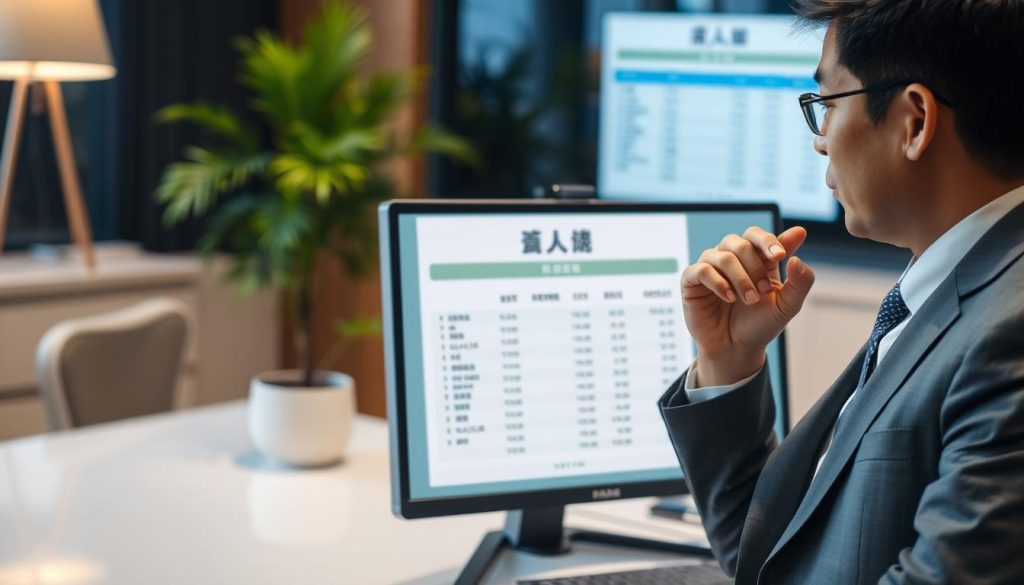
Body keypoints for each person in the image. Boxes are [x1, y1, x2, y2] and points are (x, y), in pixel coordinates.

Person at [659, 1, 1024, 583]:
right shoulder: (946, 289)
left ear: (914, 122)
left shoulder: (1007, 329)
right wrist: (729, 358)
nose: (821, 141)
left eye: (828, 104)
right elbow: (769, 558)